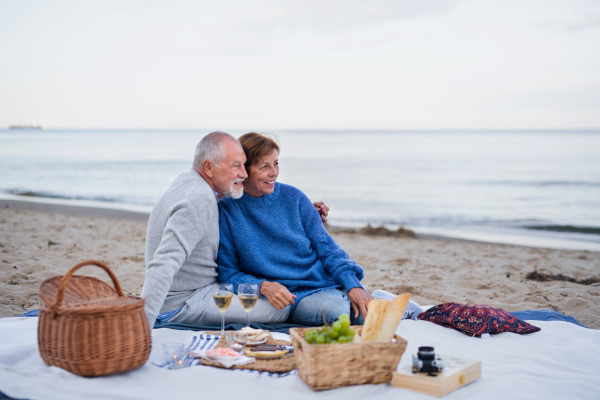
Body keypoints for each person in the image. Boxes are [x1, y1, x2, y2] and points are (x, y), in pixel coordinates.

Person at [141, 131, 329, 329]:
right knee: (281, 309)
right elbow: (163, 265)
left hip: (198, 290)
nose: (244, 174)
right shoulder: (199, 200)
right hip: (184, 301)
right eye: (235, 166)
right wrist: (142, 328)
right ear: (208, 167)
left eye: (244, 165)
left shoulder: (191, 183)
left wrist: (298, 213)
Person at [217, 132, 373, 326]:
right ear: (244, 171)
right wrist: (263, 286)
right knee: (338, 313)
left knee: (368, 316)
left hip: (323, 286)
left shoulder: (295, 197)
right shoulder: (227, 211)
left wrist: (353, 285)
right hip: (289, 300)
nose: (274, 172)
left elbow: (328, 248)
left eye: (276, 163)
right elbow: (228, 273)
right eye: (264, 166)